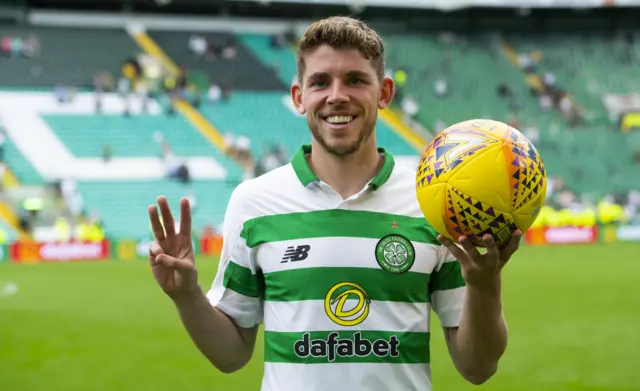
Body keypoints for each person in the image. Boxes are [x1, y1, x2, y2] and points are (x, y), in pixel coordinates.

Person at [147, 16, 522, 391]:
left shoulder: (432, 204)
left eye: (356, 80)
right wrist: (187, 296)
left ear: (385, 92)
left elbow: (478, 367)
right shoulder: (254, 202)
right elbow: (231, 356)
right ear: (299, 97)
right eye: (320, 82)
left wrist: (485, 285)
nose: (337, 95)